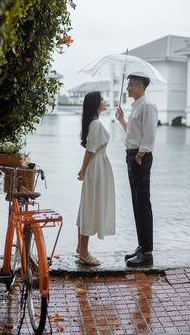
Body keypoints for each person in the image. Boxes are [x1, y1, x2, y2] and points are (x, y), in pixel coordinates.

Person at [116, 73, 158, 267]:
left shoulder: (148, 106)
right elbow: (133, 134)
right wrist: (122, 120)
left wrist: (139, 156)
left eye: (131, 85)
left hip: (139, 157)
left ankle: (147, 252)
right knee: (136, 202)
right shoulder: (136, 107)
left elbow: (149, 135)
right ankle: (142, 246)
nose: (128, 88)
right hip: (132, 155)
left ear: (141, 87)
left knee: (142, 202)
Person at [76, 91, 116, 266]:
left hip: (96, 166)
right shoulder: (96, 124)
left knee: (87, 206)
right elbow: (90, 150)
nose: (104, 101)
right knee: (90, 207)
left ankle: (81, 248)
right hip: (96, 168)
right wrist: (83, 169)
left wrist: (84, 169)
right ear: (95, 104)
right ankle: (84, 252)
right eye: (102, 99)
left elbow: (91, 149)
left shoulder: (93, 122)